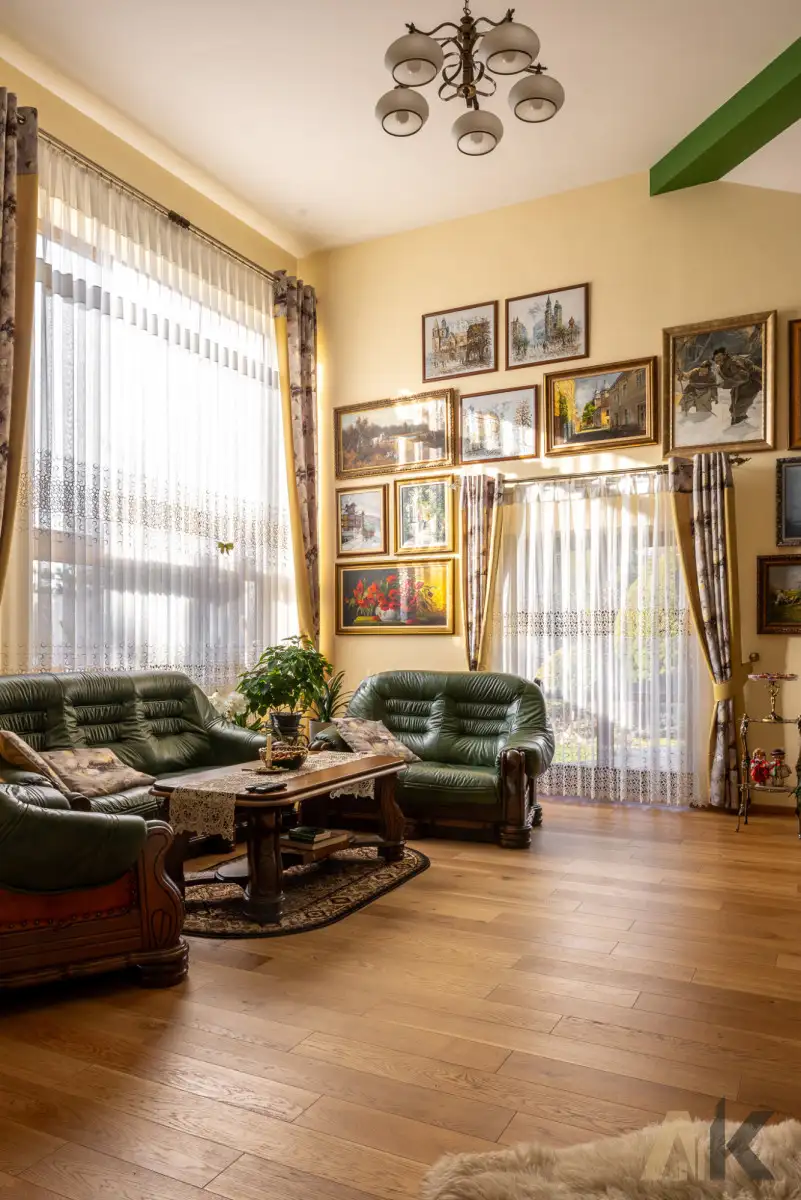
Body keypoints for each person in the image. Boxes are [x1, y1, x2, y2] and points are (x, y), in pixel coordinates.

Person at [712, 345, 762, 426]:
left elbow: (743, 377)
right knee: (733, 408)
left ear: (724, 355)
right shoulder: (723, 366)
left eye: (719, 356)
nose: (718, 359)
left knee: (739, 408)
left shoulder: (732, 363)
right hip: (742, 384)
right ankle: (739, 424)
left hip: (752, 381)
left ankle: (741, 427)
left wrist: (725, 384)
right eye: (716, 357)